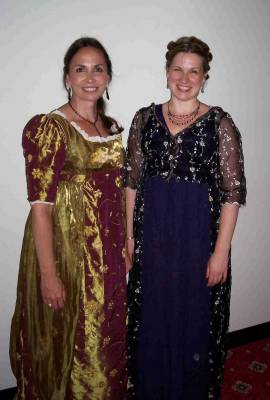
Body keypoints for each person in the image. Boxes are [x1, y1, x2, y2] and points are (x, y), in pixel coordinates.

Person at [125, 36, 246, 400]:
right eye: (177, 68)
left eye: (194, 71)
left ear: (205, 77)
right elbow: (130, 182)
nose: (184, 77)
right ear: (166, 73)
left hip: (198, 238)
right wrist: (129, 239)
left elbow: (232, 192)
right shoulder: (144, 119)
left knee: (193, 319)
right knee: (152, 316)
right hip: (153, 235)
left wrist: (221, 251)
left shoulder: (220, 123)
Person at [10, 37, 127, 400]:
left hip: (108, 256)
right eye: (80, 69)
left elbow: (121, 193)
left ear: (108, 76)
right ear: (67, 77)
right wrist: (48, 274)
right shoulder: (50, 128)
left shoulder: (111, 128)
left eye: (98, 68)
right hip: (68, 256)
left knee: (107, 340)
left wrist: (127, 244)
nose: (90, 77)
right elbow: (41, 208)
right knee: (73, 344)